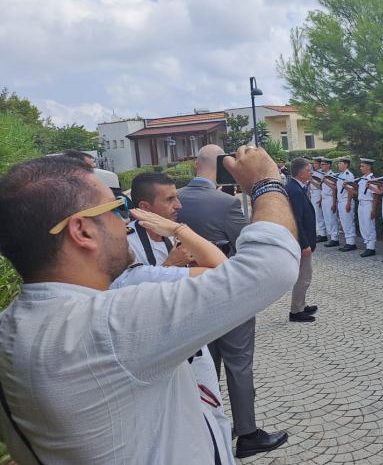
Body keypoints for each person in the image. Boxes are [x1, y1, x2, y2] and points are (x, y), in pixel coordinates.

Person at [0, 149, 299, 463]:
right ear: (82, 231)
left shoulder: (11, 327)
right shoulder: (109, 324)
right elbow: (272, 266)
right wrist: (266, 183)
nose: (127, 220)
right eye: (119, 208)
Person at [177, 144, 288, 459]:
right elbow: (246, 246)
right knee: (238, 363)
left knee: (205, 364)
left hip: (192, 296)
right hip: (227, 293)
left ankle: (210, 425)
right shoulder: (225, 203)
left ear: (196, 164)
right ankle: (248, 432)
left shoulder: (176, 199)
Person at [112, 209, 235, 465]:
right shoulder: (132, 269)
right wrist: (179, 235)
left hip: (191, 353)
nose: (125, 224)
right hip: (173, 365)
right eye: (113, 216)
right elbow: (228, 275)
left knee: (215, 416)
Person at [129, 172, 194, 267]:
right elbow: (127, 281)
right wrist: (170, 264)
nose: (179, 206)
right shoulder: (126, 245)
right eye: (170, 199)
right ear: (145, 207)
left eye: (176, 197)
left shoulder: (174, 233)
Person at [285, 157, 319, 323]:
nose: (310, 172)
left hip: (302, 240)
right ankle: (296, 312)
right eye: (308, 170)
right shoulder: (295, 190)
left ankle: (301, 304)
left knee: (304, 275)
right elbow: (296, 220)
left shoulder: (295, 186)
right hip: (301, 242)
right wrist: (304, 244)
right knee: (303, 277)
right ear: (301, 172)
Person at [356, 158, 379, 257]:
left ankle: (371, 248)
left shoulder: (373, 179)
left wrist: (374, 210)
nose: (360, 168)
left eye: (362, 166)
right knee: (363, 225)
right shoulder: (362, 179)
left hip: (368, 204)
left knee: (369, 226)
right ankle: (367, 245)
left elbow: (376, 195)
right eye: (360, 166)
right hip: (361, 203)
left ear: (369, 167)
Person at [335, 157, 357, 252]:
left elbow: (351, 191)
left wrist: (348, 203)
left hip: (346, 201)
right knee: (344, 222)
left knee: (348, 222)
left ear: (346, 165)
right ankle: (348, 242)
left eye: (340, 163)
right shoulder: (341, 175)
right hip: (340, 201)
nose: (338, 165)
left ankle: (351, 243)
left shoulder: (348, 175)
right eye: (339, 163)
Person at [320, 157, 340, 248]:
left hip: (330, 199)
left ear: (328, 165)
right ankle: (331, 237)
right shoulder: (324, 174)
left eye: (323, 164)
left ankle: (335, 238)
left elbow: (334, 188)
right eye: (321, 164)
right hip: (324, 198)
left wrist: (334, 202)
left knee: (332, 219)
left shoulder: (331, 175)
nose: (321, 166)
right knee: (327, 219)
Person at [310, 156, 328, 243]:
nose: (314, 165)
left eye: (316, 163)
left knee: (319, 215)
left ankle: (323, 234)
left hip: (318, 193)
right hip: (313, 193)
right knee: (315, 215)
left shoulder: (322, 173)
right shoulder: (314, 172)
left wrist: (320, 198)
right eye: (314, 163)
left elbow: (321, 187)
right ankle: (319, 233)